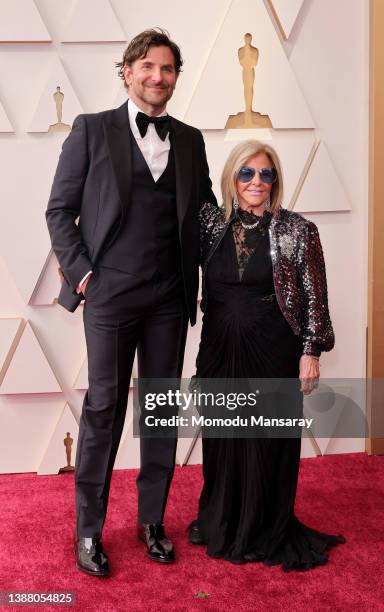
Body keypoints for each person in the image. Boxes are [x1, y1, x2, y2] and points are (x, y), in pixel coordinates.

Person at [46, 28, 216, 575]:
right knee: (104, 409)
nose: (157, 77)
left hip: (170, 295)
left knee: (160, 409)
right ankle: (89, 532)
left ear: (175, 78)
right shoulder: (92, 130)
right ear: (127, 71)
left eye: (167, 69)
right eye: (147, 67)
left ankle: (151, 522)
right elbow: (59, 211)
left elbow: (205, 214)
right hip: (110, 292)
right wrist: (85, 276)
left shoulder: (190, 140)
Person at [187, 140, 345, 570]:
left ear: (275, 181)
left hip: (274, 349)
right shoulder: (208, 222)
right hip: (219, 348)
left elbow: (316, 296)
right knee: (222, 439)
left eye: (266, 174)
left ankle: (263, 528)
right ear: (232, 177)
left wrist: (311, 351)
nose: (257, 182)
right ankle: (223, 520)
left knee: (267, 440)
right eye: (247, 173)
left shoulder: (297, 229)